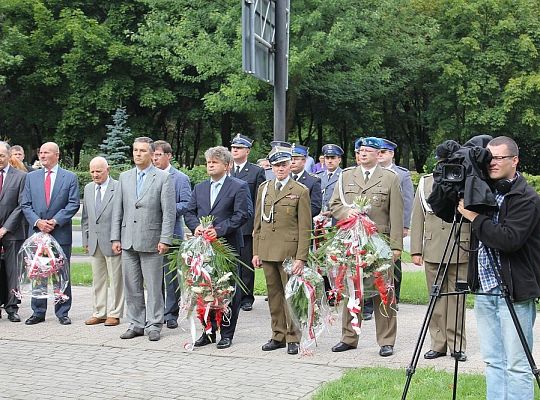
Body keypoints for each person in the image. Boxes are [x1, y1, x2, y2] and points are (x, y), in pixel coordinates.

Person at [457, 136, 540, 400]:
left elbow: (509, 240)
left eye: (499, 158)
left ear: (515, 160)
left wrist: (474, 217)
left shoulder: (526, 198)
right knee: (493, 361)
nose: (492, 163)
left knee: (517, 365)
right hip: (485, 290)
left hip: (514, 292)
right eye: (488, 158)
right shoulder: (483, 192)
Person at [329, 137, 403, 357]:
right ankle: (349, 338)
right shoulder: (346, 176)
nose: (363, 154)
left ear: (379, 155)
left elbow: (397, 214)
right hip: (352, 242)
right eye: (360, 151)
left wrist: (396, 246)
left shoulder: (390, 178)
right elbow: (334, 204)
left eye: (368, 151)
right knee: (352, 290)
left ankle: (386, 341)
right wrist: (346, 212)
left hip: (379, 244)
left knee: (383, 292)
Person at [184, 146, 252, 349]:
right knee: (205, 289)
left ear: (227, 165)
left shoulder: (238, 186)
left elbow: (243, 213)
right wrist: (196, 227)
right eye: (208, 162)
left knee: (227, 291)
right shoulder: (200, 188)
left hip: (228, 247)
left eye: (215, 162)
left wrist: (220, 230)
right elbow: (189, 211)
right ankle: (208, 331)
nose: (210, 165)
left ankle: (226, 333)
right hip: (203, 249)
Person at [111, 137, 175, 342]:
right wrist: (115, 237)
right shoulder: (125, 177)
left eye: (142, 151)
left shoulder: (163, 178)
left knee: (155, 286)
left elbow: (169, 213)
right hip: (128, 239)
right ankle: (136, 323)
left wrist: (165, 239)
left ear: (151, 154)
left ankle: (155, 323)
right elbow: (118, 210)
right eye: (135, 150)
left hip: (152, 240)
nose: (137, 154)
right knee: (132, 285)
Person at [252, 146, 312, 355]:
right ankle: (277, 334)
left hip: (289, 251)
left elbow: (305, 228)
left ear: (290, 166)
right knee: (274, 294)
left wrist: (301, 257)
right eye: (276, 165)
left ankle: (293, 336)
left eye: (284, 165)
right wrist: (256, 251)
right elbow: (258, 222)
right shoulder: (264, 188)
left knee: (291, 295)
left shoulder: (300, 191)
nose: (280, 168)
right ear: (271, 167)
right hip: (267, 248)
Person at [410, 172, 469, 362]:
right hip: (433, 246)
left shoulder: (467, 177)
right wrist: (415, 250)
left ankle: (457, 345)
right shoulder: (426, 181)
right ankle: (438, 344)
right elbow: (418, 216)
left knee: (457, 300)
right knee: (435, 298)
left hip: (461, 246)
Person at [21, 142, 80, 325]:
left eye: (46, 152)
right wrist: (38, 222)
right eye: (41, 152)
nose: (42, 155)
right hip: (38, 233)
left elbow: (73, 204)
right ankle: (38, 312)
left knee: (61, 273)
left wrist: (54, 221)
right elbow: (26, 204)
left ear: (57, 155)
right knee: (38, 272)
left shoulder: (69, 178)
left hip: (60, 233)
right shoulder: (31, 178)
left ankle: (62, 311)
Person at [152, 140, 192, 330]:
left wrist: (165, 209)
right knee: (153, 277)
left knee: (171, 277)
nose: (154, 158)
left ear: (169, 156)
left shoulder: (180, 178)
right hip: (151, 233)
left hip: (172, 234)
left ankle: (171, 314)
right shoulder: (149, 176)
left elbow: (186, 204)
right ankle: (156, 313)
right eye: (153, 155)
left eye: (158, 154)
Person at [81, 157, 124, 327]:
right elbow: (86, 217)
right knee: (98, 279)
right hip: (94, 241)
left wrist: (118, 238)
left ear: (108, 169)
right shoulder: (88, 188)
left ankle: (115, 313)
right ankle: (99, 312)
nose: (95, 174)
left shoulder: (119, 187)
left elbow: (122, 216)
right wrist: (86, 239)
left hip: (113, 241)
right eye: (92, 171)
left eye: (98, 171)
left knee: (116, 279)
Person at [230, 134, 266, 311]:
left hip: (246, 224)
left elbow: (260, 200)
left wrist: (256, 225)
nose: (235, 150)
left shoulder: (256, 171)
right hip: (227, 224)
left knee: (245, 263)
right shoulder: (226, 169)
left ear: (247, 151)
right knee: (229, 261)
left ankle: (246, 297)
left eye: (239, 148)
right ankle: (229, 294)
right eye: (233, 147)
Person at [0, 142, 27, 322]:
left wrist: (4, 228)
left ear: (9, 155)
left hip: (12, 232)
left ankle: (11, 307)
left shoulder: (21, 177)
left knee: (12, 272)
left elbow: (21, 205)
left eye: (2, 155)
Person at [290, 144, 322, 217]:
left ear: (304, 161)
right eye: (290, 159)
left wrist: (294, 215)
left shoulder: (313, 181)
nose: (292, 162)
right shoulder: (284, 179)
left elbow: (315, 207)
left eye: (296, 159)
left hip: (303, 223)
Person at [317, 144, 343, 213]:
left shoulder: (344, 176)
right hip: (319, 215)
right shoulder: (318, 176)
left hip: (336, 215)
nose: (330, 161)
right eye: (327, 158)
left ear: (339, 160)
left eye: (333, 158)